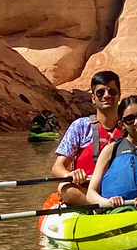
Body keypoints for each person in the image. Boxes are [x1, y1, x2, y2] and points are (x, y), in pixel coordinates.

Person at [51, 71, 124, 205]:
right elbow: (58, 166)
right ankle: (103, 205)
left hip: (120, 191)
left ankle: (108, 205)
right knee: (65, 188)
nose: (106, 96)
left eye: (112, 91)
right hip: (87, 191)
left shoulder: (129, 126)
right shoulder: (81, 126)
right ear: (93, 98)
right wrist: (69, 175)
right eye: (100, 92)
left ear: (119, 95)